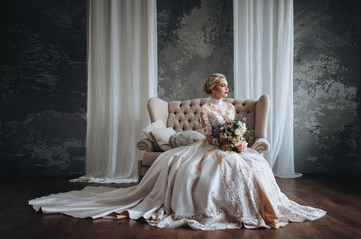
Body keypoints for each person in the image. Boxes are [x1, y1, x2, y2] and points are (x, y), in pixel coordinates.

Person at [29, 73, 326, 230]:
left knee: (254, 165)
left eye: (227, 86)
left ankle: (260, 208)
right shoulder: (208, 109)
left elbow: (237, 127)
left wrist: (240, 141)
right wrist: (225, 142)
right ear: (212, 89)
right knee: (216, 167)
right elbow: (210, 134)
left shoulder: (229, 107)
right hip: (210, 145)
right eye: (222, 86)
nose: (226, 89)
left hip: (230, 145)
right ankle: (211, 209)